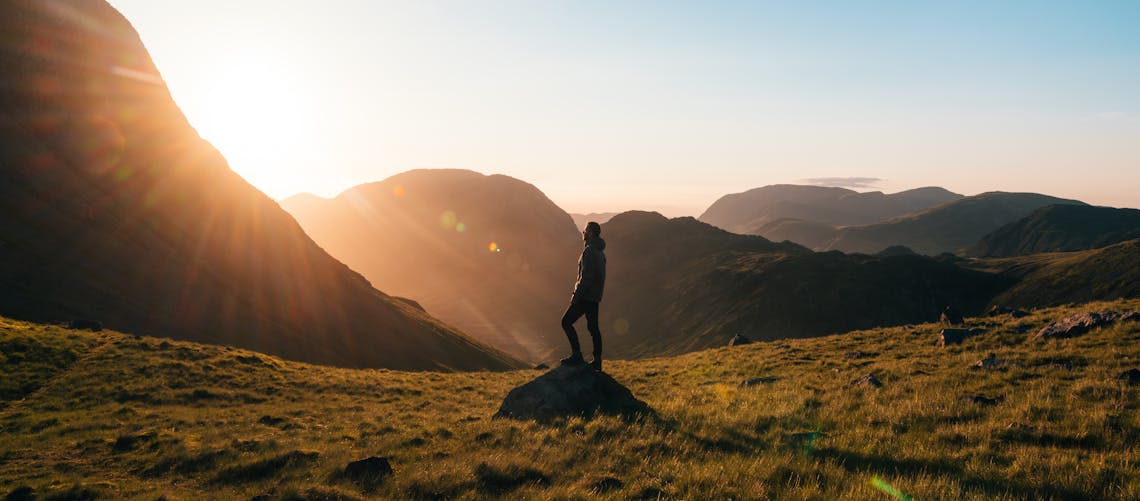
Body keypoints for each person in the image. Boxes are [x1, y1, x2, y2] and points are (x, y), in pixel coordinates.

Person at [561, 221, 606, 371]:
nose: (583, 233)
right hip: (594, 297)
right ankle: (597, 361)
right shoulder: (600, 252)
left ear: (591, 233)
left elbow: (585, 278)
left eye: (585, 231)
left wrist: (576, 295)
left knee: (566, 322)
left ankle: (576, 355)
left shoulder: (589, 251)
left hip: (585, 297)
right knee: (593, 328)